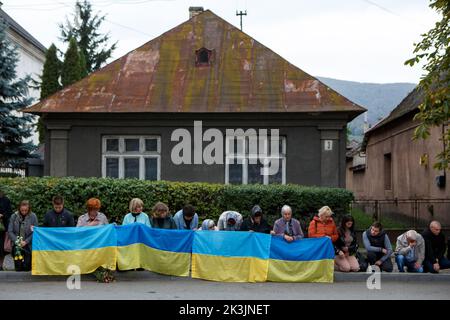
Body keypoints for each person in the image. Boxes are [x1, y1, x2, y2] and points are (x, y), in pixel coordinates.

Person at [8, 200, 38, 271]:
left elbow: (35, 231)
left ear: (29, 209)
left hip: (28, 244)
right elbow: (10, 231)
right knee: (18, 266)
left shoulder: (33, 216)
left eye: (26, 210)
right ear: (19, 209)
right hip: (17, 244)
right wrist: (17, 241)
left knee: (27, 266)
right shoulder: (14, 216)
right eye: (22, 210)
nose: (24, 212)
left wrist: (26, 241)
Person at [0, 189, 13, 267]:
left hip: (3, 228)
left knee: (2, 248)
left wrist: (2, 215)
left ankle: (1, 265)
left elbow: (9, 212)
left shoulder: (6, 200)